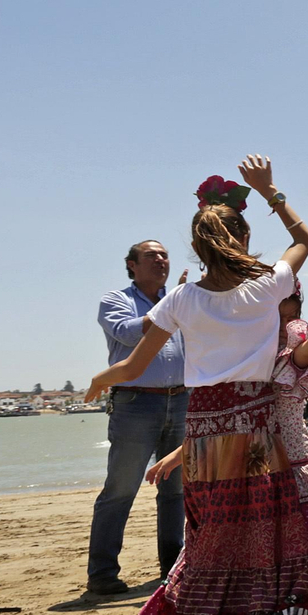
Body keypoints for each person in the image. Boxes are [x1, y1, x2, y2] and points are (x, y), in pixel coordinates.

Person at [86, 157, 308, 615]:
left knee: (209, 543)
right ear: (241, 241)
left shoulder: (182, 299)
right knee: (264, 541)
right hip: (259, 424)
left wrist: (103, 379)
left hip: (203, 430)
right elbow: (305, 238)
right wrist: (270, 191)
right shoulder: (269, 286)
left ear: (198, 249)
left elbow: (131, 366)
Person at [143, 286, 308, 615]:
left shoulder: (289, 354)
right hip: (252, 479)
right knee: (246, 565)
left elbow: (303, 355)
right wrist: (179, 453)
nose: (282, 326)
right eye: (275, 318)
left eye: (288, 317)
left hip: (296, 469)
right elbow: (225, 422)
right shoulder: (245, 361)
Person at [87, 241, 188, 596]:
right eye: (151, 256)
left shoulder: (180, 299)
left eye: (164, 255)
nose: (161, 260)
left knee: (175, 490)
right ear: (132, 265)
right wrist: (172, 304)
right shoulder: (115, 300)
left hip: (181, 401)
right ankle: (101, 575)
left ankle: (173, 568)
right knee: (121, 489)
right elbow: (127, 333)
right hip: (135, 403)